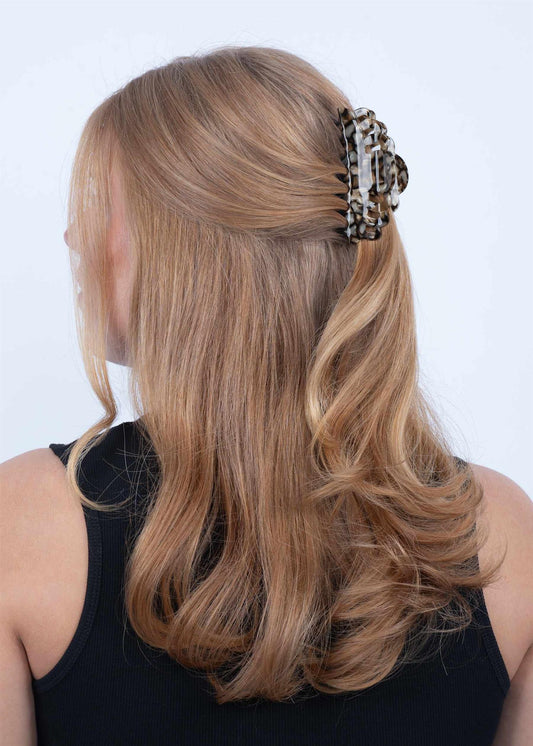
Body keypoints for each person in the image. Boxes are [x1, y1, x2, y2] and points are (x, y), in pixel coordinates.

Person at [1, 45, 532, 746]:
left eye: (104, 206)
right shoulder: (496, 533)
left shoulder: (27, 525)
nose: (74, 237)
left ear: (194, 248)